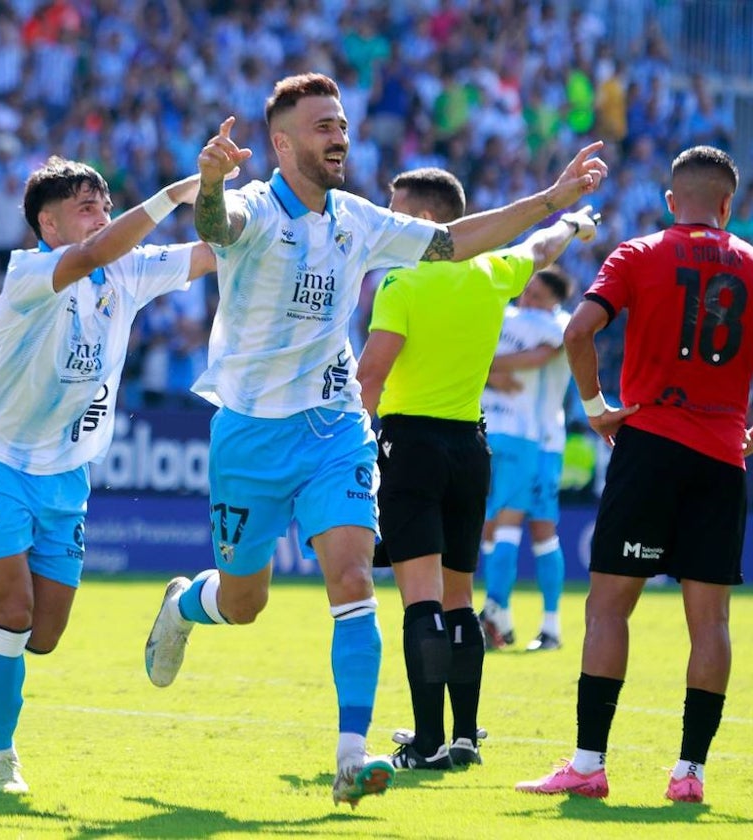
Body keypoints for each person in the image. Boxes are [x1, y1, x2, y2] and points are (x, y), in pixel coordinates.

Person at [141, 71, 607, 810]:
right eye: (323, 125)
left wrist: (551, 201)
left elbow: (455, 241)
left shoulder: (357, 218)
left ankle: (352, 757)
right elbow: (213, 228)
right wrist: (205, 184)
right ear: (281, 141)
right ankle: (185, 605)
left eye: (342, 124)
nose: (340, 137)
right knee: (243, 602)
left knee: (354, 581)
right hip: (250, 434)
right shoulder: (253, 207)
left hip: (334, 427)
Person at [0, 156, 216, 794]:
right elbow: (92, 252)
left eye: (104, 204)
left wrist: (226, 192)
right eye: (86, 206)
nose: (101, 216)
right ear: (46, 223)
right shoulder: (30, 271)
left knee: (44, 637)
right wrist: (173, 193)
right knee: (15, 612)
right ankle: (0, 761)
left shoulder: (127, 269)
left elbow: (211, 251)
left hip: (65, 471)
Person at [517, 146, 753, 804]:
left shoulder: (640, 253)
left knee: (608, 608)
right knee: (711, 624)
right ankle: (691, 775)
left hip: (648, 444)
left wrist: (596, 411)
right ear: (729, 207)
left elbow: (577, 334)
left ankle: (589, 765)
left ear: (672, 201)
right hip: (721, 456)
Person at [355, 168, 597, 773]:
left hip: (411, 445)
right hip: (472, 447)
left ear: (431, 220)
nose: (390, 221)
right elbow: (540, 247)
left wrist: (354, 449)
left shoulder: (402, 283)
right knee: (460, 597)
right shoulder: (492, 274)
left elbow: (372, 375)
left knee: (420, 600)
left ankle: (427, 743)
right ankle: (463, 736)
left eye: (398, 211)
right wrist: (573, 220)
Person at [478, 267, 576, 652]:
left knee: (539, 528)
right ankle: (499, 617)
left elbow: (541, 357)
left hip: (543, 440)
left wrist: (488, 366)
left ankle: (547, 625)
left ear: (553, 302)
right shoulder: (512, 317)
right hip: (507, 434)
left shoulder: (558, 325)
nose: (527, 301)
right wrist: (488, 371)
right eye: (526, 293)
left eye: (536, 296)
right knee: (493, 524)